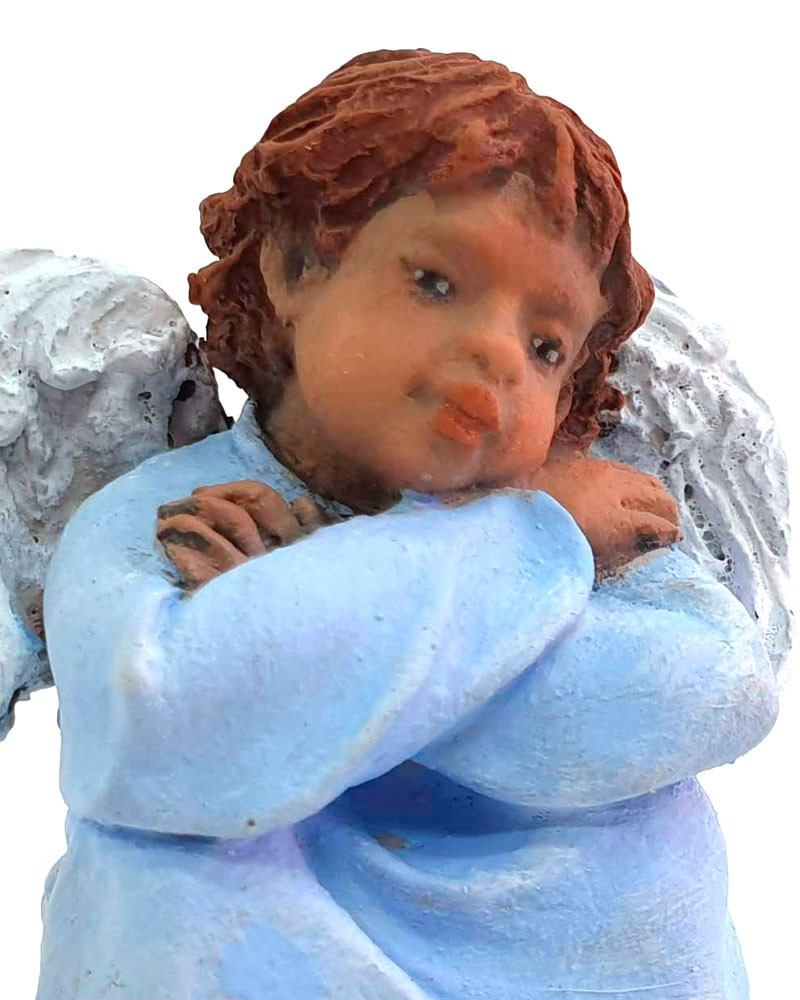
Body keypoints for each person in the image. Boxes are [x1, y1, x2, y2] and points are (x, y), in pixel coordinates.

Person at [36, 50, 778, 999]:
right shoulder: (171, 519)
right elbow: (166, 738)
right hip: (293, 962)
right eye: (435, 282)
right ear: (296, 265)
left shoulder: (588, 515)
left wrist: (309, 616)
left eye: (547, 346)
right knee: (158, 875)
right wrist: (501, 569)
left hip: (567, 961)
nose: (498, 352)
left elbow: (707, 694)